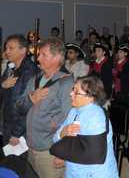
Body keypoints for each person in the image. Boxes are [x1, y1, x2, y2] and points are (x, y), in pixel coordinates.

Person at [17, 37, 73, 178]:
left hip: (51, 151)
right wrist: (31, 99)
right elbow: (19, 107)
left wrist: (62, 152)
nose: (38, 58)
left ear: (57, 58)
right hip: (31, 146)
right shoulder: (35, 79)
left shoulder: (66, 82)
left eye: (43, 55)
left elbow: (69, 119)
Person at [52, 76, 119, 178]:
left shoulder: (96, 118)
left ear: (90, 97)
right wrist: (63, 133)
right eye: (72, 89)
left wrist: (62, 151)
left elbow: (92, 155)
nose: (70, 94)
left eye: (76, 92)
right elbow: (56, 139)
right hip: (73, 172)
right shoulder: (74, 111)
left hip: (95, 174)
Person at [0, 34, 39, 145]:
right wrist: (3, 86)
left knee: (17, 161)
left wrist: (17, 133)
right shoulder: (9, 68)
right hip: (6, 124)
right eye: (6, 48)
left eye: (11, 48)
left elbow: (29, 105)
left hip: (20, 131)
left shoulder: (30, 72)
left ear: (23, 50)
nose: (7, 51)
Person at [112, 45, 129, 111]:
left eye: (121, 52)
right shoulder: (115, 63)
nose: (119, 53)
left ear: (126, 54)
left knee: (126, 105)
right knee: (118, 106)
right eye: (118, 52)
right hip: (116, 87)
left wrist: (118, 74)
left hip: (125, 88)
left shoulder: (128, 63)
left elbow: (128, 75)